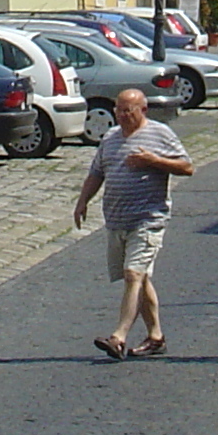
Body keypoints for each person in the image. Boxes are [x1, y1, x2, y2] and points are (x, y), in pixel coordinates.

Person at [72, 87, 192, 360]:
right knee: (141, 278)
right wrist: (82, 202)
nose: (124, 116)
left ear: (143, 110)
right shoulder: (111, 138)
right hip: (117, 220)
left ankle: (119, 336)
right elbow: (96, 173)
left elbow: (187, 166)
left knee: (133, 275)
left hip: (149, 218)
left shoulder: (160, 134)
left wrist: (154, 160)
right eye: (119, 111)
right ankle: (156, 337)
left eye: (129, 111)